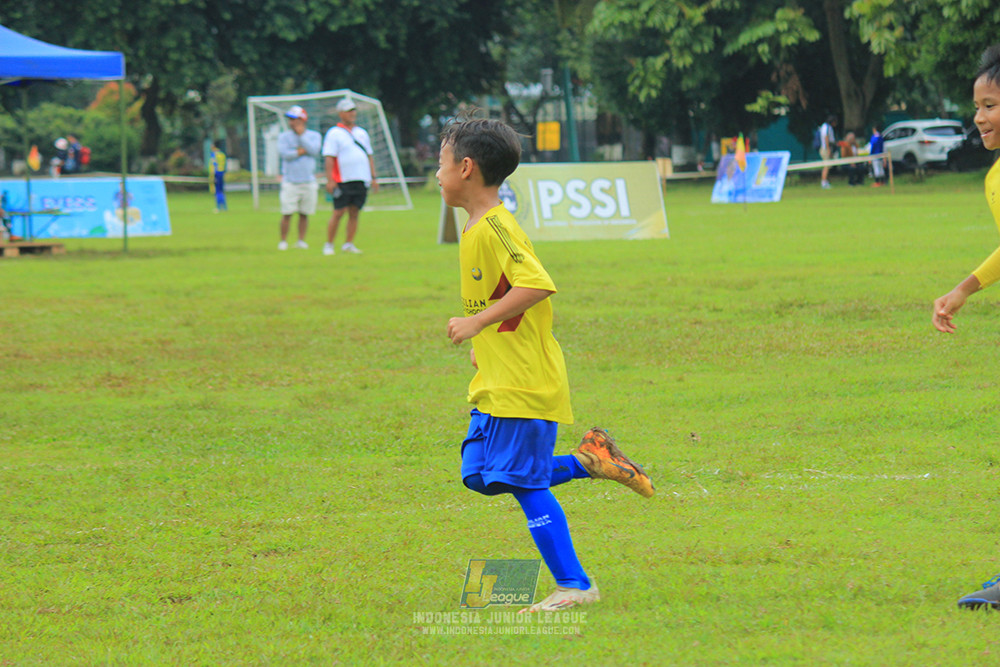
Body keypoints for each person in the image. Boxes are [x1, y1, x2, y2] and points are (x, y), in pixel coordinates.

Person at [438, 116, 655, 613]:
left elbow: (536, 283)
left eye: (441, 163)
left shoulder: (496, 227)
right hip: (498, 374)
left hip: (524, 382)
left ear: (466, 168)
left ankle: (575, 584)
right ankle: (589, 461)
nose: (437, 174)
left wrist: (474, 325)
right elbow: (503, 298)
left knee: (522, 482)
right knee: (480, 474)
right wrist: (486, 338)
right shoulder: (474, 229)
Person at [930, 44, 1000, 610]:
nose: (980, 117)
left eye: (992, 104)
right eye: (977, 106)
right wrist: (962, 290)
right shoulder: (996, 177)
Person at [322, 98, 378, 255]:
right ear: (341, 114)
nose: (352, 114)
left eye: (353, 110)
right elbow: (329, 157)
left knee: (355, 211)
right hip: (342, 179)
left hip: (361, 178)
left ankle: (348, 243)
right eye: (348, 111)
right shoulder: (334, 133)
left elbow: (369, 155)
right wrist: (330, 179)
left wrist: (373, 177)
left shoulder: (362, 133)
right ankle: (329, 244)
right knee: (338, 212)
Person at [277, 105, 322, 250]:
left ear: (303, 120)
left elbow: (314, 151)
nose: (291, 123)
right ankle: (283, 241)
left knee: (304, 213)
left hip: (308, 181)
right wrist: (300, 152)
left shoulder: (314, 136)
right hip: (290, 181)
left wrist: (302, 137)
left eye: (294, 119)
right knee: (287, 212)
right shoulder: (284, 137)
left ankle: (301, 241)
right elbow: (284, 154)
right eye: (290, 120)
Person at [819, 115, 838, 189]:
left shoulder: (827, 127)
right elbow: (826, 137)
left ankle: (826, 181)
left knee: (828, 165)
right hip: (826, 149)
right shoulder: (826, 127)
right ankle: (823, 182)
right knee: (826, 166)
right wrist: (828, 149)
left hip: (827, 148)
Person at [209, 142, 227, 212]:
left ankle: (218, 207)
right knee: (221, 190)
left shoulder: (214, 155)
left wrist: (213, 176)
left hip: (216, 174)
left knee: (217, 191)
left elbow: (214, 165)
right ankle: (224, 207)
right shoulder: (222, 154)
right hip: (221, 173)